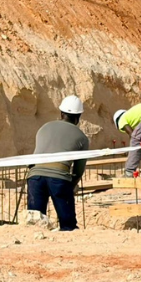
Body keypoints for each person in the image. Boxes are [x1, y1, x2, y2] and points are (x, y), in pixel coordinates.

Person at [27, 95, 90, 231]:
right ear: (78, 117)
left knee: (35, 222)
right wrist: (71, 186)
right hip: (59, 178)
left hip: (35, 177)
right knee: (68, 225)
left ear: (61, 113)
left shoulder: (44, 127)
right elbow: (78, 170)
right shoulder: (81, 137)